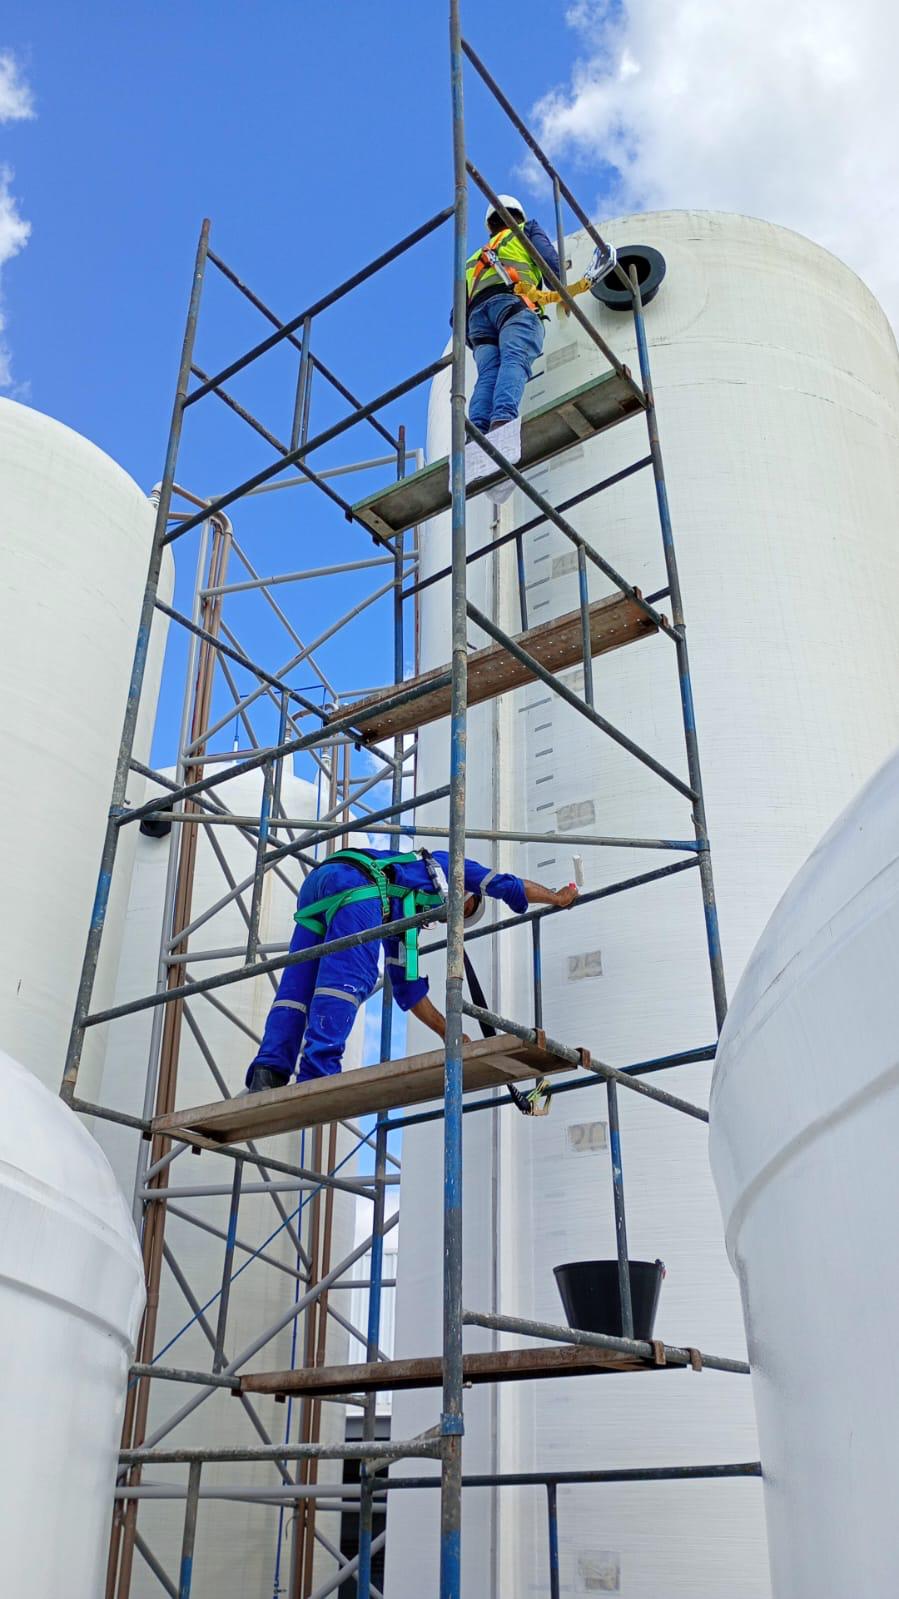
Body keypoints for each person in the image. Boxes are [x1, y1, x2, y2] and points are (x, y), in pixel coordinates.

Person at [246, 846, 578, 1092]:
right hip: (357, 885)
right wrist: (555, 897)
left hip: (320, 884)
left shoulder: (403, 915)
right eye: (466, 908)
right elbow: (508, 886)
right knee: (348, 979)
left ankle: (269, 1071)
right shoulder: (445, 866)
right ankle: (317, 1073)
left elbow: (408, 987)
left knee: (298, 985)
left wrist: (447, 1030)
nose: (453, 916)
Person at [464, 194, 561, 478]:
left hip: (477, 321)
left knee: (487, 374)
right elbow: (550, 262)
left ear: (490, 226)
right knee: (514, 360)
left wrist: (472, 339)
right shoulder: (525, 230)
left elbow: (454, 313)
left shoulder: (473, 258)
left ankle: (476, 435)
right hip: (514, 305)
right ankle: (502, 422)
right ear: (518, 215)